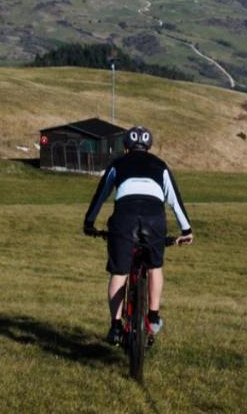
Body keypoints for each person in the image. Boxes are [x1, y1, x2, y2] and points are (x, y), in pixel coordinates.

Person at [83, 125, 194, 345]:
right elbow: (174, 200)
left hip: (125, 216)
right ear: (149, 147)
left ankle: (115, 327)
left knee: (119, 272)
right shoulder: (160, 165)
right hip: (154, 217)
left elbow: (101, 194)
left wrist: (89, 223)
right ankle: (152, 317)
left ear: (126, 147)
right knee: (154, 267)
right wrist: (186, 230)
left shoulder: (118, 163)